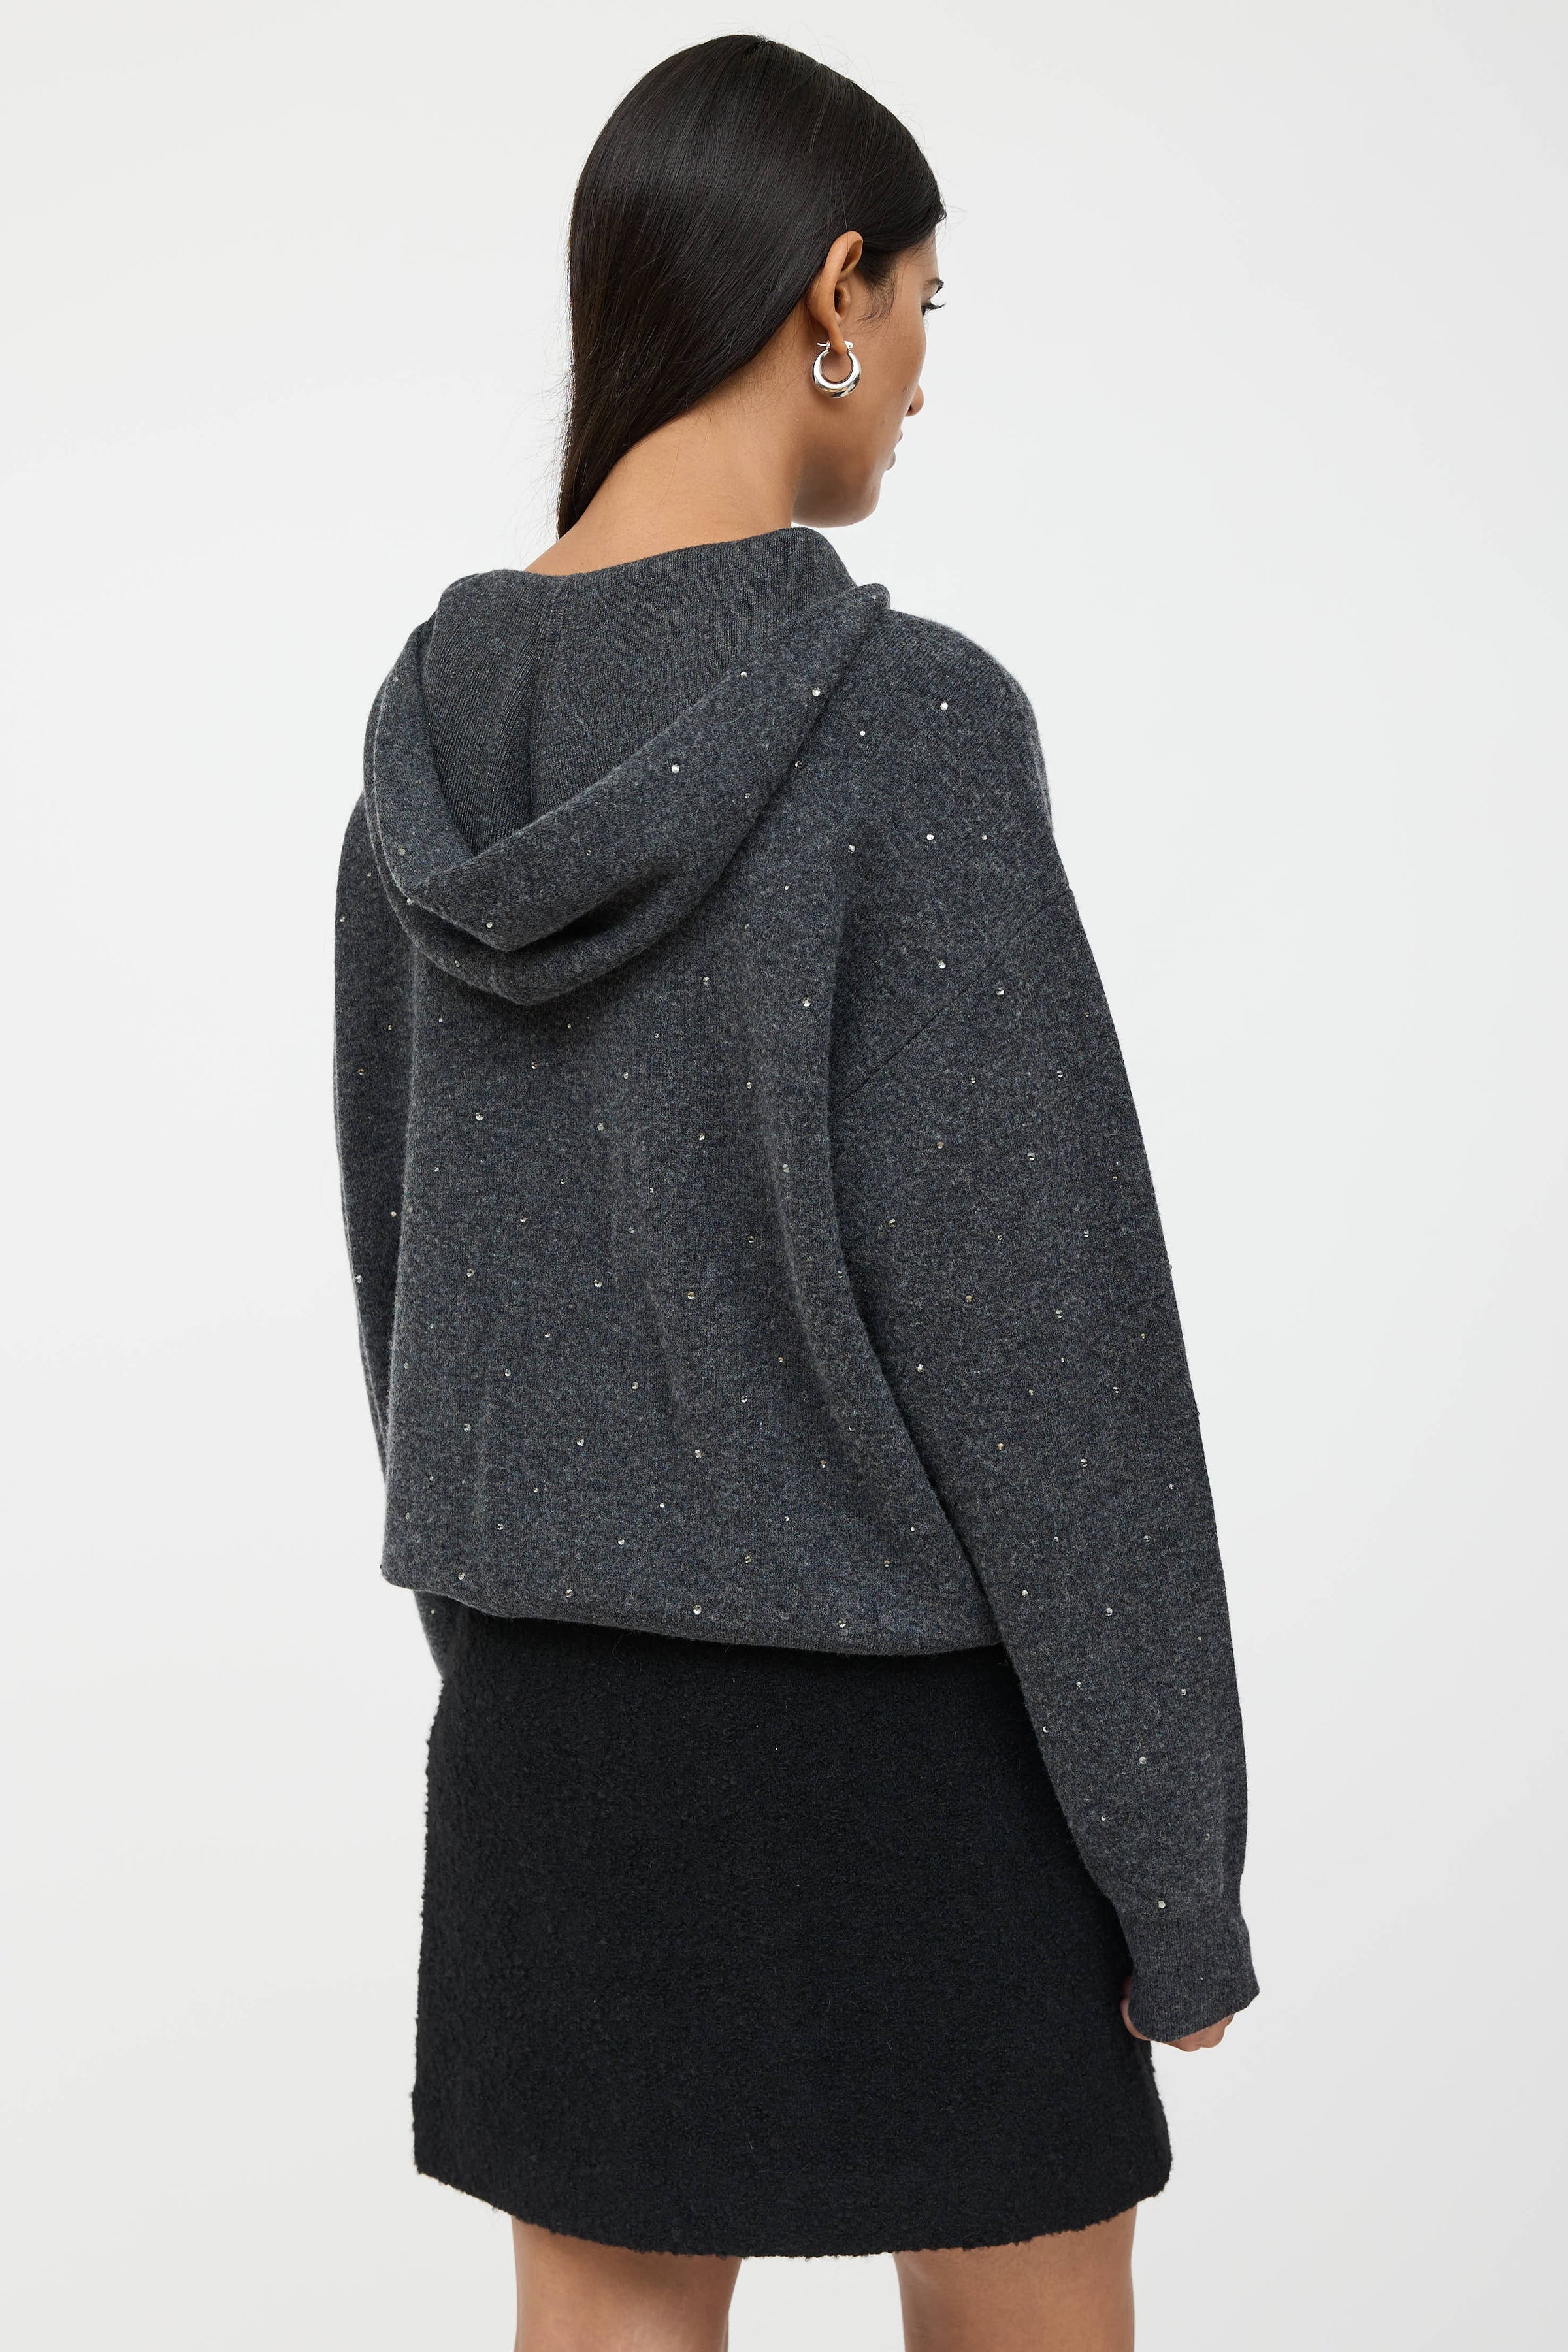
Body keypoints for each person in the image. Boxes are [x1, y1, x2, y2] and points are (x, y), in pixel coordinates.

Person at [334, 33, 1258, 2352]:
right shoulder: (910, 730)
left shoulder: (420, 768)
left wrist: (527, 1670)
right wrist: (1176, 1871)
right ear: (831, 291)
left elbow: (408, 1301)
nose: (925, 373)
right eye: (927, 306)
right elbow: (1054, 1357)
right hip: (905, 1759)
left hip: (551, 1761)